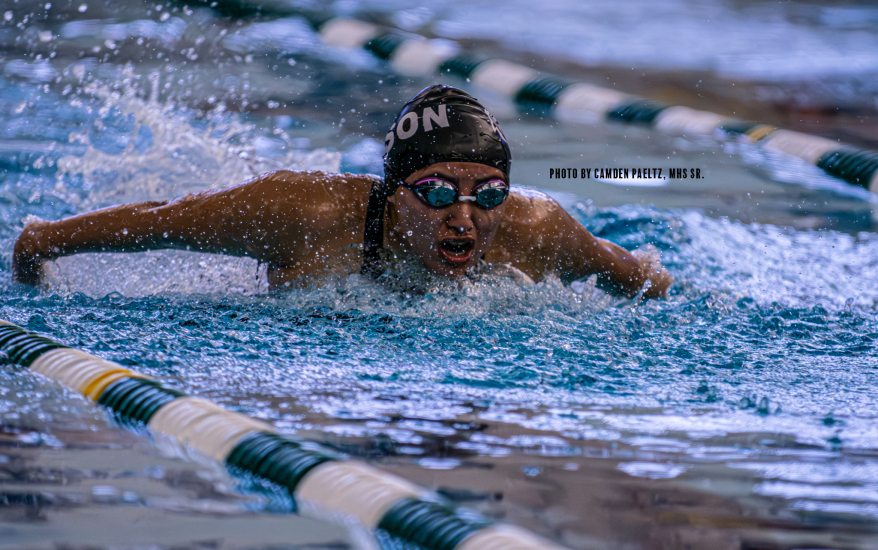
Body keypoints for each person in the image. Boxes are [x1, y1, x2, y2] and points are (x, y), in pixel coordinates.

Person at [12, 85, 673, 298]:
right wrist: (41, 244)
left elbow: (643, 281)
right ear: (394, 192)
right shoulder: (302, 213)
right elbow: (160, 223)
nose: (467, 219)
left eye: (488, 195)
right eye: (439, 193)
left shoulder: (537, 230)